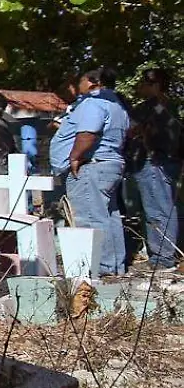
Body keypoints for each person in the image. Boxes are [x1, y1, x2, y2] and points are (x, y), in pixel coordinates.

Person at [50, 67, 132, 275]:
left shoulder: (93, 103)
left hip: (91, 165)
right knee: (108, 216)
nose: (78, 86)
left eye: (81, 81)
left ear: (93, 83)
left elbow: (88, 133)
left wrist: (75, 156)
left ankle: (100, 268)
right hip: (108, 163)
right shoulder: (117, 105)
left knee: (90, 218)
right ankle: (113, 266)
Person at [127, 67, 180, 270]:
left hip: (154, 162)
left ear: (155, 85)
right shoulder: (170, 106)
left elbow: (131, 130)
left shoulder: (152, 107)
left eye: (145, 83)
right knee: (163, 208)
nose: (140, 87)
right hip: (166, 162)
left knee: (157, 210)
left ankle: (162, 258)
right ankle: (163, 254)